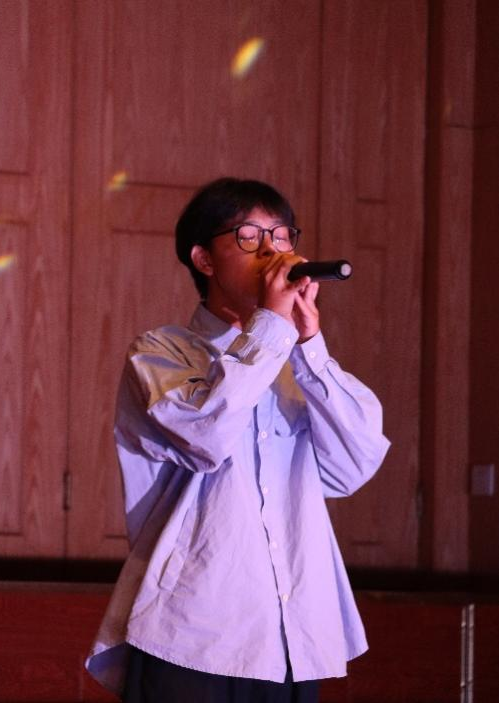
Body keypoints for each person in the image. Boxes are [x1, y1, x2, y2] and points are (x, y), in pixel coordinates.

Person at [86, 177, 390, 703]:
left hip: (291, 636)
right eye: (250, 236)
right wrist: (270, 326)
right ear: (204, 259)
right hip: (192, 634)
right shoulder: (161, 352)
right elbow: (207, 434)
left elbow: (354, 466)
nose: (273, 251)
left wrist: (309, 345)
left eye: (282, 235)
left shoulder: (300, 365)